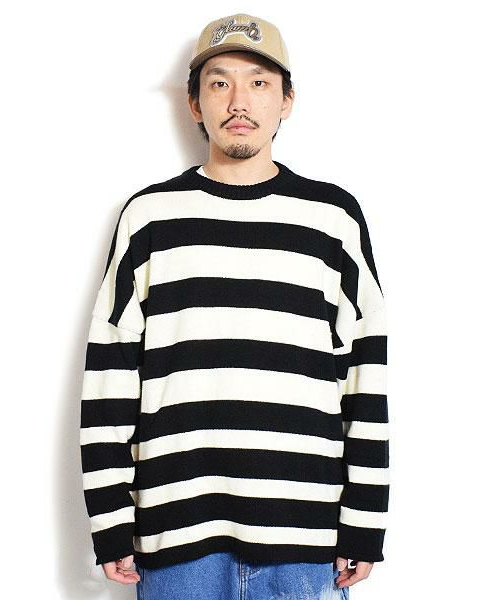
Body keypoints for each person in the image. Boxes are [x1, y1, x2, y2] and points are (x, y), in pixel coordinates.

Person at [79, 13, 390, 599]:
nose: (238, 100)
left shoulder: (333, 220)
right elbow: (109, 375)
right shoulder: (150, 219)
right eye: (219, 82)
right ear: (194, 103)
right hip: (177, 539)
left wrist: (365, 521)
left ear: (287, 100)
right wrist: (110, 519)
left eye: (259, 82)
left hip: (307, 541)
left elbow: (365, 375)